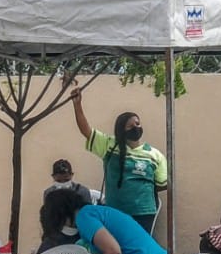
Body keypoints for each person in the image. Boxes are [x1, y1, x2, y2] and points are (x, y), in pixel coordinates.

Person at [68, 82, 168, 232]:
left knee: (138, 250)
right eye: (131, 125)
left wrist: (140, 189)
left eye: (138, 123)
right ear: (121, 130)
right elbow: (86, 131)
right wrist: (77, 105)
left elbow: (163, 183)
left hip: (144, 213)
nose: (136, 127)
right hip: (115, 211)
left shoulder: (154, 155)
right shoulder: (109, 145)